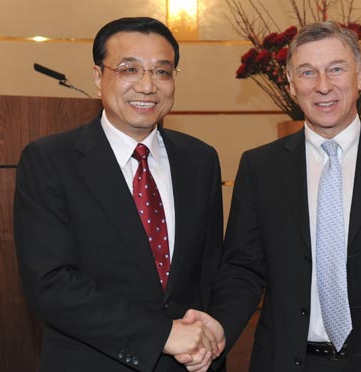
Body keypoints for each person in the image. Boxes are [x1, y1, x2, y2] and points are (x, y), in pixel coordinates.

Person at [204, 21, 361, 372]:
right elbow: (242, 271)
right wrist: (214, 329)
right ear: (292, 85)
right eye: (307, 73)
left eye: (336, 69)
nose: (323, 86)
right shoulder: (259, 167)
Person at [14, 17, 225, 372]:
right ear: (99, 77)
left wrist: (209, 335)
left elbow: (209, 272)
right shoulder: (49, 160)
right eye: (130, 69)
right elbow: (50, 284)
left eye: (162, 72)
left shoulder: (201, 159)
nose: (147, 86)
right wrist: (161, 334)